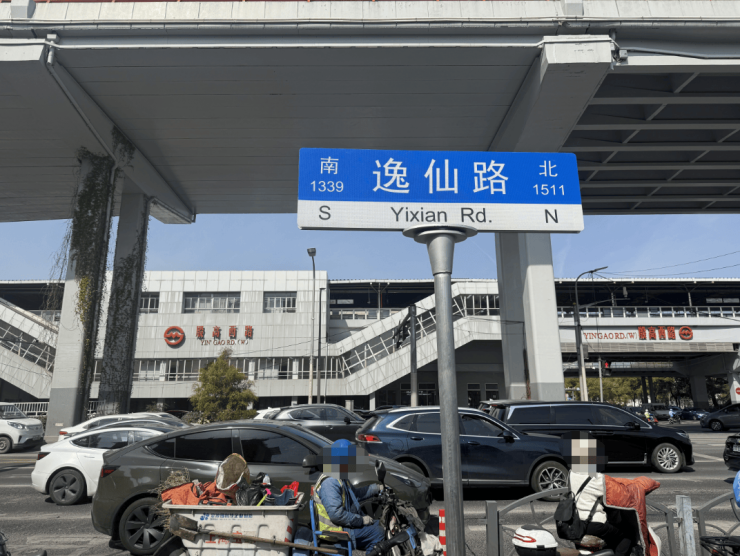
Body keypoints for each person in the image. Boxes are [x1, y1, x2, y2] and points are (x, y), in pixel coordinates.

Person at [563, 432, 639, 556]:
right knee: (627, 534)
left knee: (613, 532)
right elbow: (618, 492)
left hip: (575, 522)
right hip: (594, 524)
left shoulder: (571, 473)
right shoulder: (597, 478)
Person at [312, 439, 386, 553]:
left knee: (380, 524)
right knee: (378, 532)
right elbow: (336, 515)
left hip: (341, 526)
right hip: (335, 532)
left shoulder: (339, 476)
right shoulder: (330, 482)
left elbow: (356, 494)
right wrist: (361, 520)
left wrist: (377, 488)